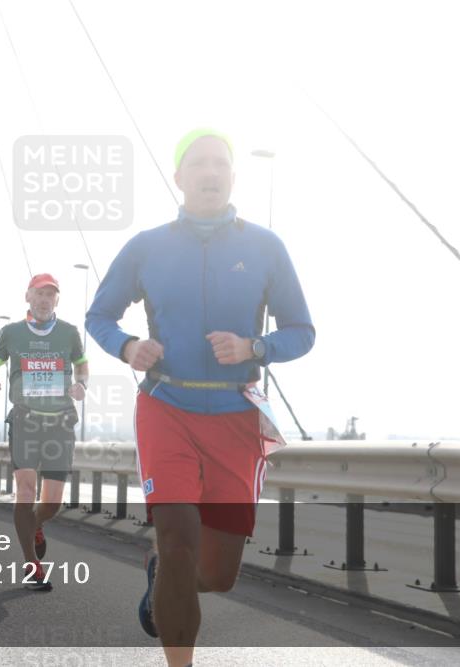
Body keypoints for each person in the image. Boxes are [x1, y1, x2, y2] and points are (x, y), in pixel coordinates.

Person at [85, 128, 315, 665]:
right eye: (199, 164)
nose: (211, 173)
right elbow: (100, 315)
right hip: (167, 406)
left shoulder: (266, 247)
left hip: (237, 417)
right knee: (178, 535)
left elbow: (302, 331)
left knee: (216, 574)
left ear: (233, 177)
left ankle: (161, 575)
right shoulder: (147, 247)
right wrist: (127, 346)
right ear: (179, 176)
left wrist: (254, 346)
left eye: (220, 164)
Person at [0, 273, 88, 592]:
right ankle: (32, 566)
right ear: (27, 296)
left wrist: (82, 384)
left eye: (50, 295)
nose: (44, 300)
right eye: (39, 294)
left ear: (57, 300)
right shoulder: (11, 333)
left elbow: (82, 366)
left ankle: (37, 525)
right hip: (25, 421)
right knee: (26, 492)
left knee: (51, 503)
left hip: (59, 422)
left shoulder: (69, 333)